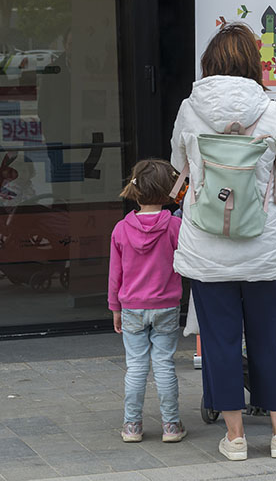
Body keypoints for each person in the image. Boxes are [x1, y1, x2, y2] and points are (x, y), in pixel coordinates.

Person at [171, 22, 276, 461]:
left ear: (210, 63)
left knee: (221, 341)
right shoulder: (271, 111)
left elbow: (179, 165)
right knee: (272, 339)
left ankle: (235, 437)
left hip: (208, 250)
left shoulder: (190, 110)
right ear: (253, 63)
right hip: (263, 248)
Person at [108, 159, 185, 443]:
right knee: (164, 364)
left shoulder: (120, 229)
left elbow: (114, 274)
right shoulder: (175, 226)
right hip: (166, 305)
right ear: (167, 192)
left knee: (136, 366)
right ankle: (172, 426)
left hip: (132, 307)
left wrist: (115, 308)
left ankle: (132, 426)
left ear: (135, 190)